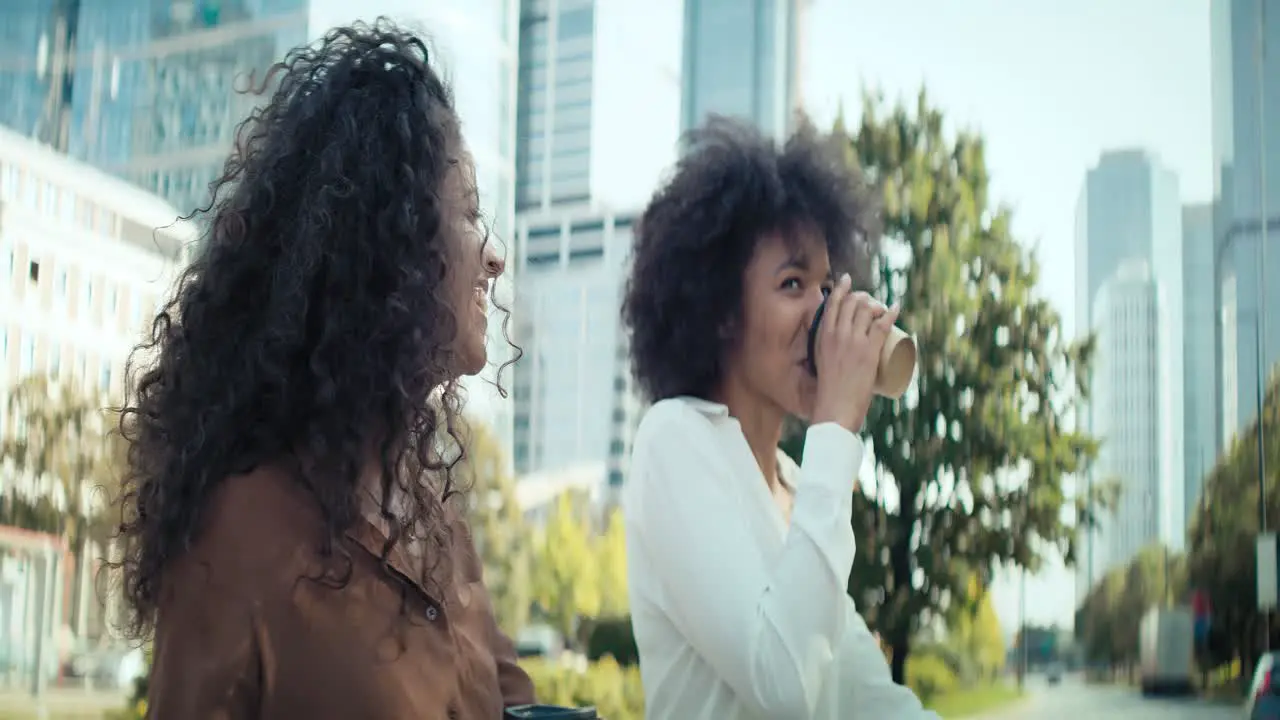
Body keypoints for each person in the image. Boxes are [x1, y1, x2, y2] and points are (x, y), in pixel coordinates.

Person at [110, 21, 535, 719]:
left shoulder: (437, 520)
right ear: (387, 252)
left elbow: (514, 699)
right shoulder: (237, 535)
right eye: (467, 213)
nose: (495, 256)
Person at [620, 116, 938, 719]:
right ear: (719, 311)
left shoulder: (797, 482)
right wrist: (836, 428)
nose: (821, 316)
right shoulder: (675, 438)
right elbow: (785, 686)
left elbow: (866, 698)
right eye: (793, 283)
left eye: (826, 287)